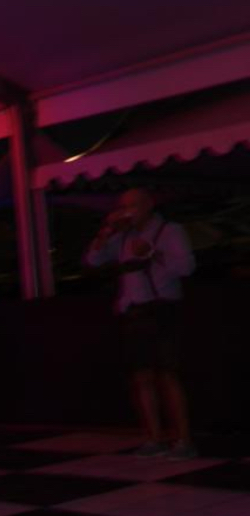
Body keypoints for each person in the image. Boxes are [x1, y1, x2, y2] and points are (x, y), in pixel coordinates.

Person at [84, 188, 196, 458]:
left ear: (148, 205)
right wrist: (105, 231)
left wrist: (153, 253)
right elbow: (92, 260)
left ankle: (183, 440)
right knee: (142, 377)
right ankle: (154, 439)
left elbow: (187, 268)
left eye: (132, 206)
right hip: (134, 314)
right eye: (123, 206)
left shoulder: (170, 231)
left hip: (162, 310)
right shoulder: (123, 236)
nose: (128, 211)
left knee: (169, 376)